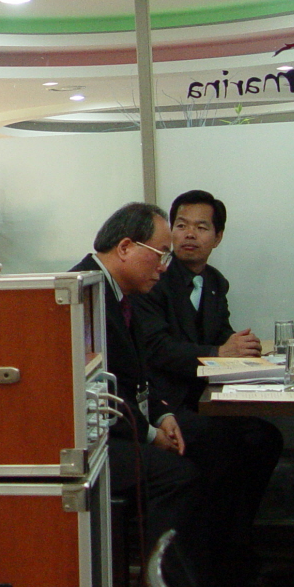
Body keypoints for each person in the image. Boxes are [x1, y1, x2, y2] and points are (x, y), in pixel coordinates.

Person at [132, 190, 282, 577]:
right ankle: (213, 557)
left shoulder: (215, 283)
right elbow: (158, 348)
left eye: (201, 227)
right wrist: (220, 350)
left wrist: (244, 349)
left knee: (265, 437)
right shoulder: (153, 279)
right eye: (181, 225)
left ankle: (234, 543)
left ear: (218, 237)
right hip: (164, 404)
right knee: (225, 443)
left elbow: (220, 336)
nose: (189, 234)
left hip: (200, 399)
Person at [71, 203, 211, 582]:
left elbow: (138, 371)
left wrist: (162, 415)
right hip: (86, 441)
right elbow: (94, 388)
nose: (164, 267)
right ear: (125, 247)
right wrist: (150, 435)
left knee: (213, 446)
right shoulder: (81, 295)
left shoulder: (116, 293)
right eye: (160, 254)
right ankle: (160, 576)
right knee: (177, 474)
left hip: (115, 426)